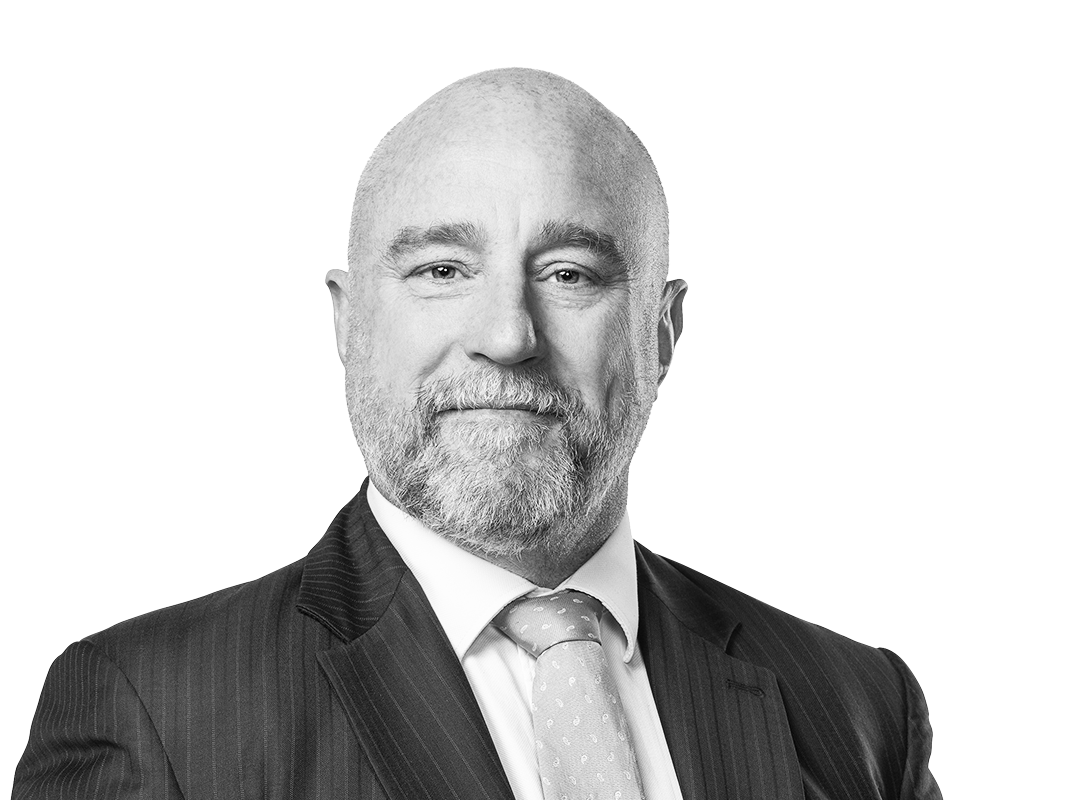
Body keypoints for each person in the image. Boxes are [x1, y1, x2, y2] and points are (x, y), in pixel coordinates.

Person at [12, 68, 942, 800]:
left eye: (570, 274)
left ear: (662, 333)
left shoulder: (859, 709)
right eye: (442, 269)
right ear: (347, 322)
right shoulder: (151, 712)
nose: (506, 333)